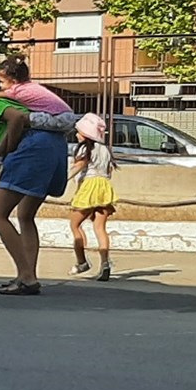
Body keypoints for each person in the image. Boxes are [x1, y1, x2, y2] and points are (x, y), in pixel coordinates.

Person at [0, 64, 68, 296]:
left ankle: (26, 276)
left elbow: (16, 119)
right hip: (55, 145)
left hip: (32, 147)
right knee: (25, 214)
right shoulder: (17, 99)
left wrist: (7, 150)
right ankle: (28, 275)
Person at [0, 56, 78, 165]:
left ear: (14, 81)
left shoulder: (17, 90)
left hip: (60, 117)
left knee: (19, 119)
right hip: (66, 116)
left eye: (2, 82)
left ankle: (5, 153)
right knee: (19, 121)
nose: (0, 86)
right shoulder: (30, 85)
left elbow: (0, 95)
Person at [68, 114, 117, 281]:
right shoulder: (105, 150)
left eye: (79, 131)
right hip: (104, 187)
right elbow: (109, 171)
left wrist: (63, 178)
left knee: (75, 225)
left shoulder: (85, 148)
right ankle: (105, 263)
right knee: (100, 228)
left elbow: (79, 166)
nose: (77, 134)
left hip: (89, 186)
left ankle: (81, 261)